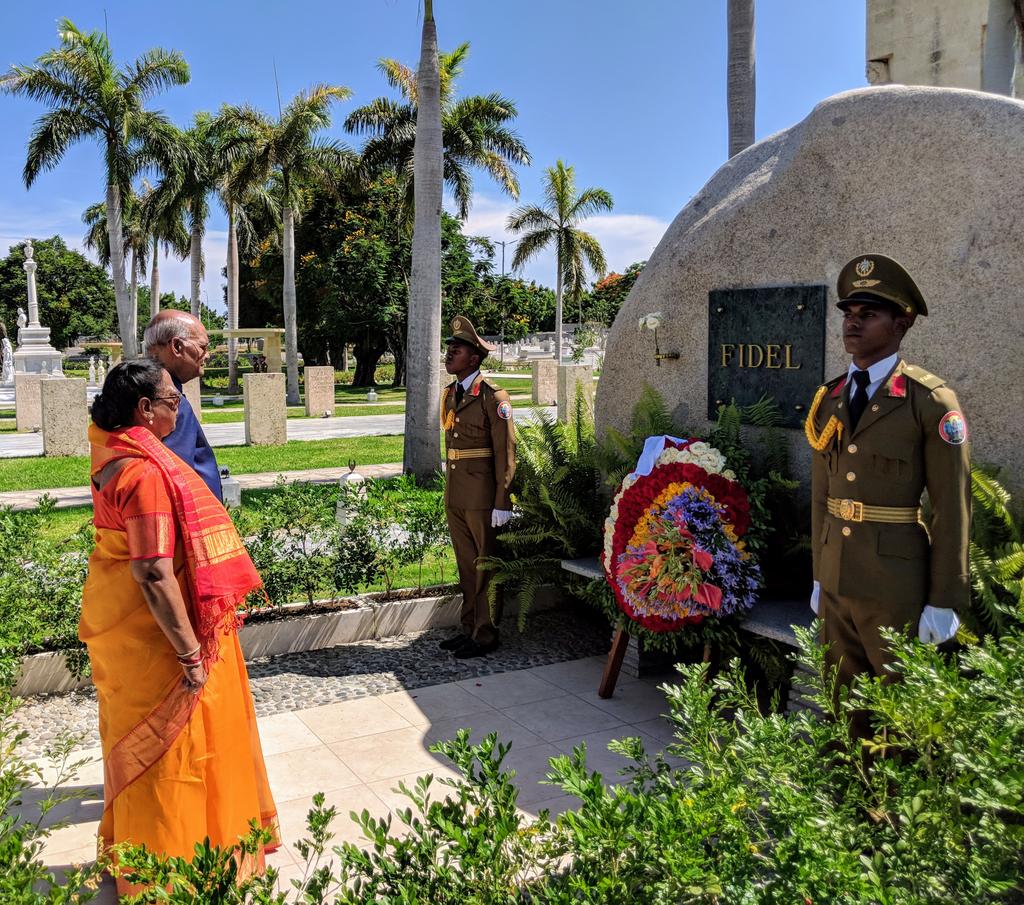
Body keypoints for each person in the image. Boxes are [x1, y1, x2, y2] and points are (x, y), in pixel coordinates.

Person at [82, 359, 278, 896]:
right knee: (172, 751)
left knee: (141, 745)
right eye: (172, 401)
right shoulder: (144, 473)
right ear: (144, 410)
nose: (178, 408)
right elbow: (150, 570)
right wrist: (192, 655)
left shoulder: (113, 452)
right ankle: (172, 870)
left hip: (123, 625)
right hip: (158, 636)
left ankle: (144, 856)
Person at [805, 254, 971, 740]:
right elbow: (822, 499)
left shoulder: (929, 400)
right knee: (842, 707)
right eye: (848, 313)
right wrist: (819, 573)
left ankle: (899, 815)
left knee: (901, 717)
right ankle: (851, 808)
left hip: (896, 584)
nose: (852, 322)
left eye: (868, 313)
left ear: (901, 323)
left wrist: (945, 600)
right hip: (836, 577)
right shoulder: (830, 397)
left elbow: (951, 509)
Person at [438, 316, 516, 658]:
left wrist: (503, 499)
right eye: (449, 347)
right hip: (457, 494)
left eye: (457, 349)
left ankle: (485, 634)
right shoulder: (453, 393)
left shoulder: (491, 396)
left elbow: (506, 450)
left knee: (485, 564)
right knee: (466, 565)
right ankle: (469, 627)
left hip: (484, 496)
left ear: (474, 359)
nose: (450, 352)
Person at [144, 310, 222, 499]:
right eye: (203, 347)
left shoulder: (140, 391)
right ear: (177, 346)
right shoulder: (168, 402)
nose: (207, 355)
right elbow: (177, 477)